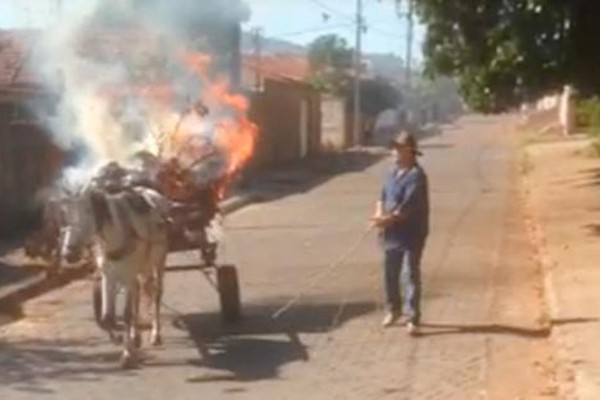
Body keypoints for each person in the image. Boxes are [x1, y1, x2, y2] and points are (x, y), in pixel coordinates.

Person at [372, 131, 429, 335]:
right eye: (393, 148)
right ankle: (393, 309)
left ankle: (412, 317)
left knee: (409, 273)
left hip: (411, 233)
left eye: (398, 149)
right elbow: (382, 196)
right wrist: (379, 214)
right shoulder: (390, 173)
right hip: (391, 234)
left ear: (409, 152)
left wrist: (387, 219)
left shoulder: (417, 176)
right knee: (390, 273)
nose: (394, 152)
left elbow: (408, 206)